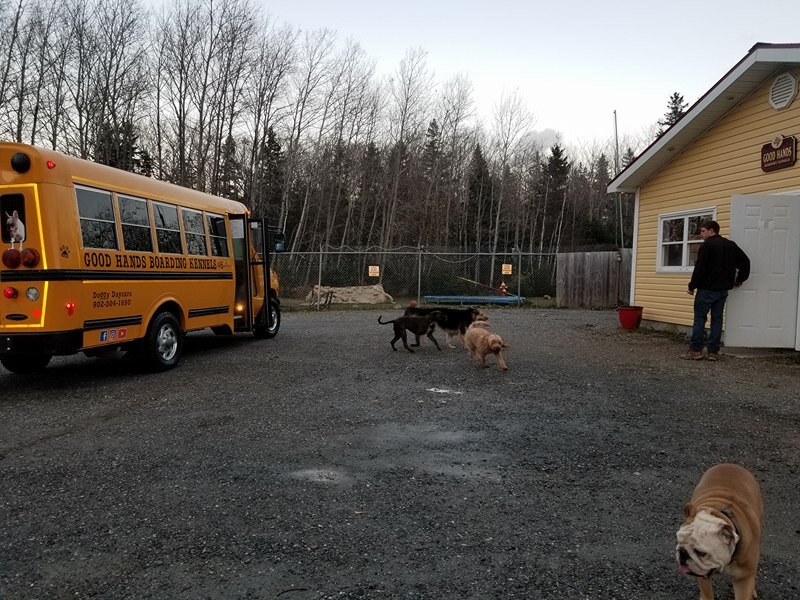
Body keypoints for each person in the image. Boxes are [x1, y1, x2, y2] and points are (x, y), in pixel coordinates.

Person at [684, 220, 750, 361]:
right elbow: (745, 261)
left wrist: (692, 286)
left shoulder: (707, 246)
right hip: (722, 291)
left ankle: (696, 351)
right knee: (717, 320)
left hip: (706, 290)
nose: (701, 234)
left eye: (703, 231)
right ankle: (713, 352)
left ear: (712, 231)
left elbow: (700, 269)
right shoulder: (730, 245)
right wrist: (739, 280)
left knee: (700, 319)